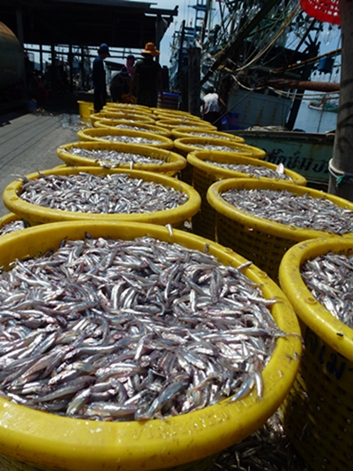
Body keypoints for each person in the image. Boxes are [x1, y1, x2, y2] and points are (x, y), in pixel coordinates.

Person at [129, 42, 163, 108]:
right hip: (152, 93)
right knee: (151, 110)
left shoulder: (139, 64)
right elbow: (159, 80)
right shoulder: (156, 65)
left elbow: (134, 79)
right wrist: (161, 94)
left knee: (140, 109)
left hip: (141, 91)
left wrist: (131, 91)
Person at [92, 43, 110, 112]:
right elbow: (100, 78)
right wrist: (103, 91)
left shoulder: (97, 60)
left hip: (97, 87)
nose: (106, 56)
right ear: (103, 53)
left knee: (98, 106)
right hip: (99, 88)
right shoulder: (98, 61)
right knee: (99, 107)